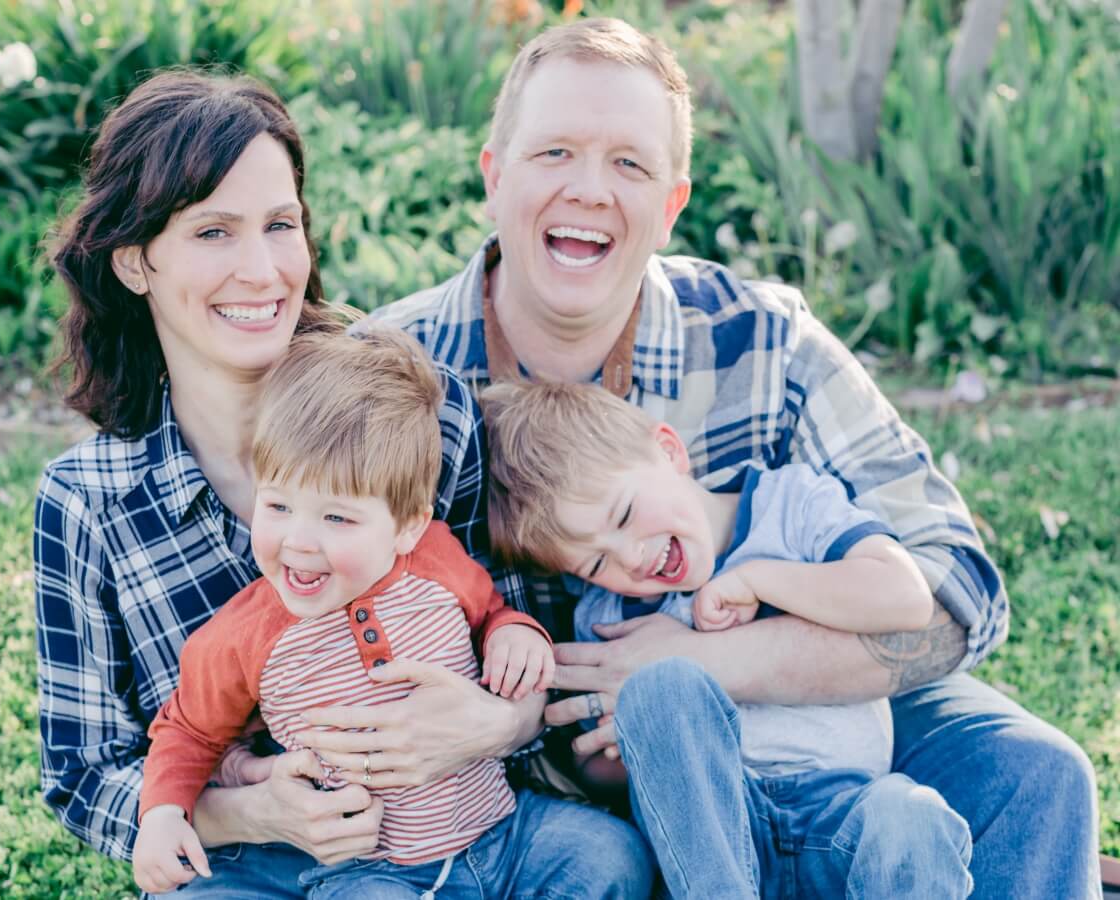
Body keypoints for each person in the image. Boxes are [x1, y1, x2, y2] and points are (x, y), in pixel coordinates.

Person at [370, 16, 1101, 898]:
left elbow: (959, 592)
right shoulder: (393, 376)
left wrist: (716, 660)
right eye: (554, 152)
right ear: (494, 176)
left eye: (629, 163)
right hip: (535, 764)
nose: (591, 190)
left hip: (817, 725)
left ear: (673, 204)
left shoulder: (762, 340)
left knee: (1039, 773)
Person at [34, 69, 550, 894]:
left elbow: (516, 621)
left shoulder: (425, 413)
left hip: (457, 831)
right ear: (134, 263)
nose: (262, 269)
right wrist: (253, 812)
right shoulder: (88, 503)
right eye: (213, 233)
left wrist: (498, 722)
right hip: (246, 867)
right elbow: (83, 775)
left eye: (281, 224)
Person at [131, 331, 651, 897]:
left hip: (500, 831)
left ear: (407, 525)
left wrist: (515, 636)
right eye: (278, 506)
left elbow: (492, 614)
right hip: (369, 867)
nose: (299, 542)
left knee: (610, 855)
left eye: (337, 519)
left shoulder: (435, 561)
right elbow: (187, 731)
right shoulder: (244, 636)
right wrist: (162, 815)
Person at [481, 379, 973, 897]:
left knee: (911, 816)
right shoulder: (612, 620)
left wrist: (760, 578)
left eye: (624, 515)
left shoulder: (791, 506)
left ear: (669, 452)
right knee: (662, 689)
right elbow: (599, 769)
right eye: (596, 563)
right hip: (715, 843)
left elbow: (907, 598)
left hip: (844, 811)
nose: (629, 557)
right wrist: (631, 747)